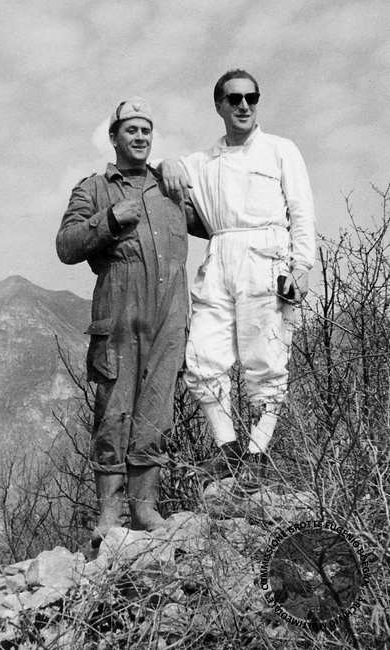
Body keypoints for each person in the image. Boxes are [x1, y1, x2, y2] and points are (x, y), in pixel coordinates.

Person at [56, 97, 205, 546]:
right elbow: (66, 246)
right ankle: (109, 512)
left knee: (157, 410)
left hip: (169, 314)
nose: (140, 137)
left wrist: (181, 168)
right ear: (114, 137)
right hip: (119, 314)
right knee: (114, 410)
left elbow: (222, 220)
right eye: (131, 130)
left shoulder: (171, 186)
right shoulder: (94, 189)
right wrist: (108, 219)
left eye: (146, 130)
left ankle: (144, 506)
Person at [160, 70, 316, 491]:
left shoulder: (281, 150)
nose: (244, 105)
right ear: (219, 105)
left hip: (267, 258)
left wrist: (301, 266)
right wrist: (168, 163)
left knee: (266, 362)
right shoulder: (204, 161)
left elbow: (301, 210)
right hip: (220, 256)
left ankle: (258, 454)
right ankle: (228, 449)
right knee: (202, 357)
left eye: (252, 97)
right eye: (234, 99)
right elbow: (166, 171)